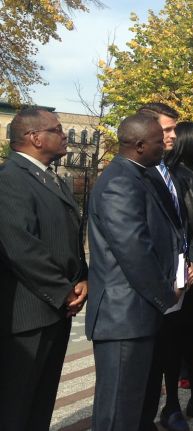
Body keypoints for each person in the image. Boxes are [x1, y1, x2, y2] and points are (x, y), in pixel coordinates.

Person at [87, 113, 185, 431]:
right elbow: (135, 251)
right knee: (117, 411)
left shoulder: (138, 175)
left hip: (137, 313)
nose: (165, 146)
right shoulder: (119, 182)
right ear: (141, 145)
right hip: (123, 317)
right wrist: (167, 293)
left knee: (133, 407)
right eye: (159, 141)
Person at [0, 108, 88, 431]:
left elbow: (69, 238)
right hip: (27, 317)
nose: (64, 135)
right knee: (16, 406)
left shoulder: (53, 180)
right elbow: (21, 247)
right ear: (35, 138)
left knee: (41, 402)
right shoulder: (10, 179)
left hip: (55, 311)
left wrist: (82, 278)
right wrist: (63, 290)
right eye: (57, 129)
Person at [135, 102, 193, 431]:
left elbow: (180, 226)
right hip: (149, 286)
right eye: (167, 129)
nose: (174, 135)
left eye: (174, 128)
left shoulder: (170, 171)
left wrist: (188, 262)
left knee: (171, 347)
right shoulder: (137, 174)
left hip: (176, 280)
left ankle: (171, 406)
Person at [158, 121, 193, 429]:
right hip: (192, 265)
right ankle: (175, 405)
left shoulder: (186, 174)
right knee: (183, 338)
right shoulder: (184, 176)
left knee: (189, 338)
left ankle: (192, 398)